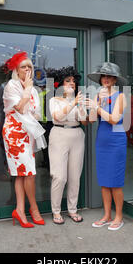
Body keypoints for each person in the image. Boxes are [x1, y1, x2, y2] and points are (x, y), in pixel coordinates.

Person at [1, 51, 47, 228]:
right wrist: (27, 89)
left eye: (30, 66)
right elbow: (20, 108)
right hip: (14, 134)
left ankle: (20, 211)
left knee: (21, 174)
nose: (27, 69)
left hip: (28, 134)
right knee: (29, 173)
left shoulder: (34, 90)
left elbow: (36, 112)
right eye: (23, 66)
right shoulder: (11, 86)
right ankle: (34, 209)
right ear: (16, 70)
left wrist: (30, 93)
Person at [86, 62, 128, 231]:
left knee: (115, 182)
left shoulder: (121, 96)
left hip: (116, 140)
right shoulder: (98, 96)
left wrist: (98, 107)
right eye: (104, 76)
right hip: (102, 140)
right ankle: (107, 215)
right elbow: (91, 120)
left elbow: (115, 119)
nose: (106, 79)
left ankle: (119, 216)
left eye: (110, 76)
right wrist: (96, 105)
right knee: (104, 182)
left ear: (115, 79)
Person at [47, 66, 87, 225]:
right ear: (60, 84)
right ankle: (56, 211)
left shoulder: (77, 101)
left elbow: (84, 122)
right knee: (59, 176)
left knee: (75, 176)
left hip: (77, 135)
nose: (72, 84)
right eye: (68, 81)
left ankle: (72, 209)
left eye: (73, 81)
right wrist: (74, 103)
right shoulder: (53, 99)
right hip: (59, 135)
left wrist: (82, 107)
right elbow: (58, 116)